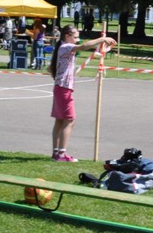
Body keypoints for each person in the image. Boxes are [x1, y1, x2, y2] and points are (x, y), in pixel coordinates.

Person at [49, 25, 117, 162]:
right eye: (75, 37)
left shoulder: (63, 48)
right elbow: (84, 46)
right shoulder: (65, 47)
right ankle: (61, 154)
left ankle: (56, 153)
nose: (77, 39)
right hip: (63, 89)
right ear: (67, 36)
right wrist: (102, 39)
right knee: (69, 120)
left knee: (60, 120)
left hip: (61, 87)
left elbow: (51, 68)